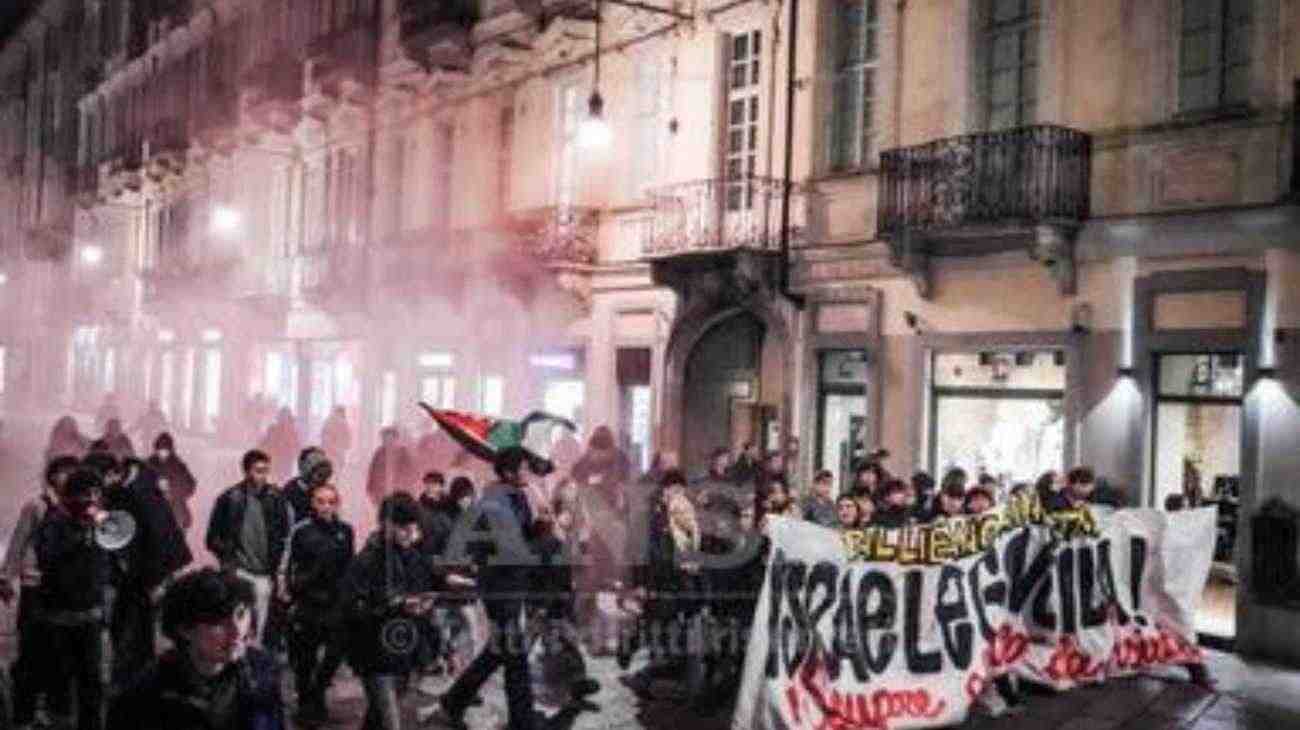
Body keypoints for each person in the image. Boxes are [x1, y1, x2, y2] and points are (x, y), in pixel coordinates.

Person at [428, 447, 542, 730]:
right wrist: (540, 541)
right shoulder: (495, 502)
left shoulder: (518, 497)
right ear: (508, 473)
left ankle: (454, 701)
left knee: (499, 650)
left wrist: (538, 527)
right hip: (499, 586)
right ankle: (522, 720)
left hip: (512, 584)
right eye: (524, 468)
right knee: (513, 654)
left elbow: (522, 535)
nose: (528, 472)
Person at [107, 568, 285, 730]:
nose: (237, 631)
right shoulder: (144, 697)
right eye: (218, 622)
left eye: (240, 614)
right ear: (185, 630)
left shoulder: (263, 674)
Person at [342, 493, 457, 730]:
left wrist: (444, 647)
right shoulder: (367, 561)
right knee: (389, 720)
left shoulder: (414, 558)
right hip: (374, 653)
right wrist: (396, 606)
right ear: (386, 525)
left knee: (377, 717)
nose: (411, 534)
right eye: (404, 528)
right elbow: (352, 608)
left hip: (404, 652)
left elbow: (427, 599)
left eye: (413, 528)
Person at [33, 468, 114, 730]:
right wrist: (80, 536)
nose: (93, 500)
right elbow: (46, 558)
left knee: (92, 683)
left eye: (97, 494)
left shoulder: (99, 523)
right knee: (60, 683)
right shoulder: (55, 521)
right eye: (88, 494)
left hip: (89, 616)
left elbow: (106, 564)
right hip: (58, 618)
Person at [3, 455, 80, 730]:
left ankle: (51, 708)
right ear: (51, 476)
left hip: (64, 591)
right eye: (63, 472)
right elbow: (19, 542)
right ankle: (25, 711)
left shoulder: (77, 508)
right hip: (35, 586)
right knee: (31, 648)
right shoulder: (36, 506)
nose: (67, 477)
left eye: (73, 473)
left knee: (59, 651)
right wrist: (6, 577)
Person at [205, 449, 293, 648]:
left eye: (265, 471)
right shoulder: (229, 498)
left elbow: (285, 536)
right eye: (258, 470)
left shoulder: (276, 499)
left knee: (259, 627)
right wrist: (229, 561)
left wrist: (278, 570)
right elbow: (211, 538)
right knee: (238, 622)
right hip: (239, 571)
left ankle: (252, 662)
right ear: (246, 471)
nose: (262, 476)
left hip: (264, 573)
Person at [285, 482, 354, 724]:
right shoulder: (301, 531)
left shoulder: (346, 531)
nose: (326, 507)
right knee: (305, 661)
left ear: (337, 504)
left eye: (331, 502)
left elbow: (349, 567)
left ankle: (316, 695)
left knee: (334, 655)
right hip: (307, 603)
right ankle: (308, 705)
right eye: (320, 501)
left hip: (335, 605)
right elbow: (288, 566)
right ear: (312, 503)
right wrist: (290, 596)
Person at [146, 432, 198, 531]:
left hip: (176, 509)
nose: (163, 452)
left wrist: (176, 493)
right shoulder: (149, 464)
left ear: (171, 449)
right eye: (160, 449)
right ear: (156, 449)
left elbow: (190, 484)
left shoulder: (178, 465)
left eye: (165, 449)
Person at [366, 426, 416, 506]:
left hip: (398, 492)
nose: (387, 440)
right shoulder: (379, 453)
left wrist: (408, 489)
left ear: (395, 438)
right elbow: (373, 472)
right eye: (385, 438)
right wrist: (370, 489)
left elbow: (410, 473)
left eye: (390, 437)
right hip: (381, 492)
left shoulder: (403, 452)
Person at [283, 447, 334, 524]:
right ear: (302, 467)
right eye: (315, 471)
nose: (318, 479)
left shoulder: (327, 492)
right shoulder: (289, 492)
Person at [261, 408, 302, 484]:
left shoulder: (291, 431)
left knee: (282, 478)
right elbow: (264, 444)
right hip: (277, 460)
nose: (284, 421)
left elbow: (297, 446)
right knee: (278, 478)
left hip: (284, 460)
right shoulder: (273, 429)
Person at [320, 406, 353, 472]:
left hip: (329, 451)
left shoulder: (328, 422)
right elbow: (348, 439)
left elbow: (324, 436)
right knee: (337, 471)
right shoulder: (344, 423)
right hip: (338, 452)